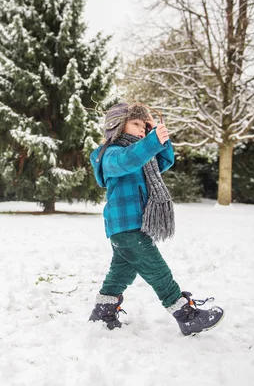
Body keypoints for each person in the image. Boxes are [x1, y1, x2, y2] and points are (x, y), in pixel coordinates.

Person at [88, 102, 224, 336]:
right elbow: (129, 159)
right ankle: (186, 316)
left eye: (145, 125)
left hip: (134, 225)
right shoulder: (110, 154)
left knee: (122, 271)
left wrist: (156, 137)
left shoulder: (143, 157)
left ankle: (104, 310)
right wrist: (150, 142)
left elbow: (163, 161)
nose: (142, 129)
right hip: (126, 224)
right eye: (136, 123)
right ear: (119, 126)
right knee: (157, 270)